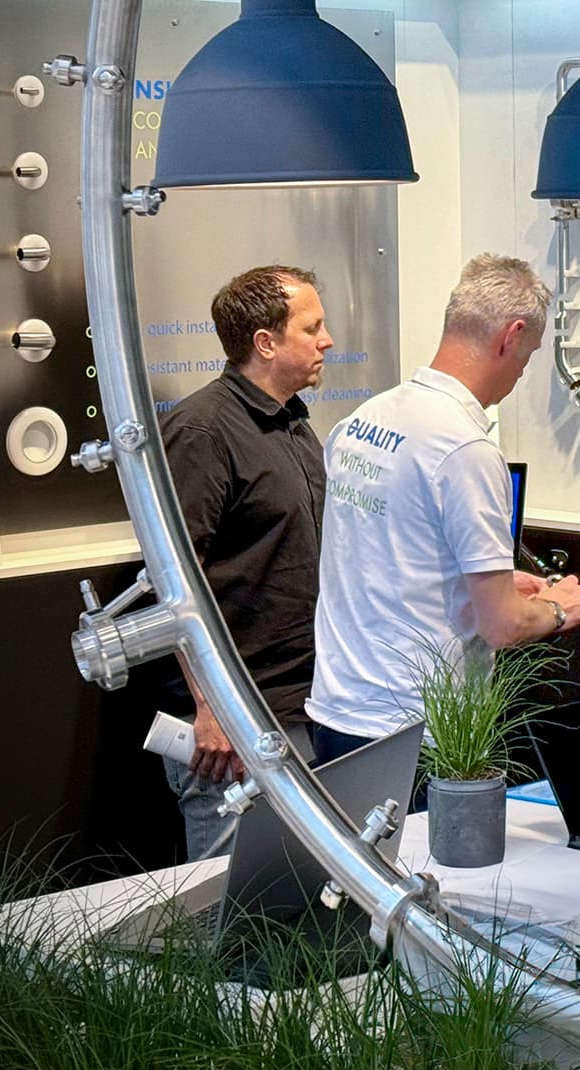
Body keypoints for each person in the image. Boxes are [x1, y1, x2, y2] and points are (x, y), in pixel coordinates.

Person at [307, 254, 580, 766]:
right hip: (418, 736)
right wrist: (558, 610)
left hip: (338, 717)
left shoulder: (361, 421)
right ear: (510, 337)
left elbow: (390, 558)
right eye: (526, 358)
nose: (518, 375)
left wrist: (489, 581)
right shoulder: (465, 450)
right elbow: (502, 626)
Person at [158, 265, 333, 859]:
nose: (327, 340)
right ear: (266, 343)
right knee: (226, 928)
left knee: (298, 926)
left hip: (300, 709)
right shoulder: (201, 431)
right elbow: (172, 582)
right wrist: (211, 709)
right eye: (312, 328)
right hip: (230, 732)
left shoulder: (294, 423)